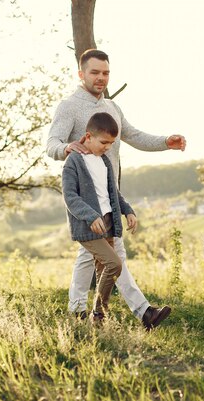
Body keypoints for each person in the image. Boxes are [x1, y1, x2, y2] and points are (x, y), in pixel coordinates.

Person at [47, 49, 186, 329]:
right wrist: (66, 148)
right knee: (112, 257)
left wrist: (165, 142)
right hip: (86, 201)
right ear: (81, 74)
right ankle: (142, 312)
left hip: (110, 195)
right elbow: (52, 144)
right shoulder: (69, 106)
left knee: (92, 257)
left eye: (106, 73)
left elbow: (133, 135)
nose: (101, 78)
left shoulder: (112, 107)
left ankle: (79, 311)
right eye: (95, 72)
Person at [62, 112, 136, 324]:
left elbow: (113, 193)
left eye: (111, 143)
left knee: (104, 269)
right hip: (89, 227)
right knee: (115, 264)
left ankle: (96, 318)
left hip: (109, 224)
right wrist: (90, 215)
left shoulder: (104, 161)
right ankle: (98, 312)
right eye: (104, 142)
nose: (107, 147)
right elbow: (70, 197)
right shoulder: (73, 162)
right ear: (88, 136)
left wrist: (127, 210)